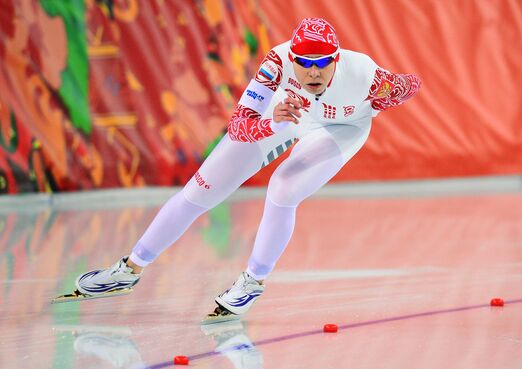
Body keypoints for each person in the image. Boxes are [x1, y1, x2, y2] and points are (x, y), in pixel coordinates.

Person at [68, 18, 421, 322]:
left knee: (283, 187)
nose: (314, 72)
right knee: (200, 189)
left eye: (323, 63)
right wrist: (271, 122)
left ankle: (252, 281)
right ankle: (129, 269)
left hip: (341, 129)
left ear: (337, 59)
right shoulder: (276, 64)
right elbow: (239, 126)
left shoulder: (365, 74)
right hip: (284, 118)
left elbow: (410, 85)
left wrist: (381, 102)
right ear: (292, 57)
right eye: (304, 63)